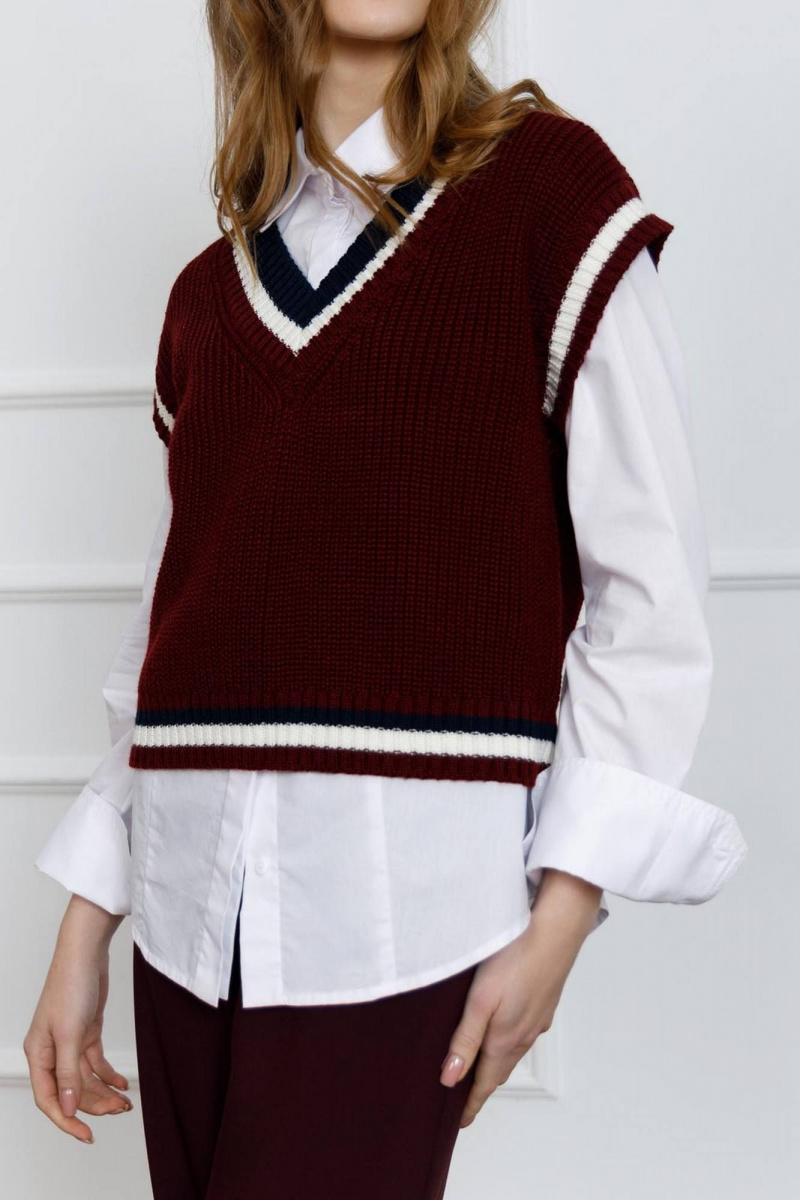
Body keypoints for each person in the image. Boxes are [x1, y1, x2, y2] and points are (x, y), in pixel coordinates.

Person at [23, 2, 748, 1197]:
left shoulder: (551, 198)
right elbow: (169, 627)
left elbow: (647, 586)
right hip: (185, 920)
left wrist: (562, 914)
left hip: (400, 918)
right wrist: (85, 921)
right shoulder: (205, 298)